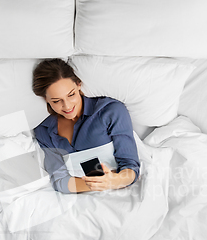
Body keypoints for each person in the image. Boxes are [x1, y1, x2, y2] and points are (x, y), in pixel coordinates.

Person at [32, 58, 140, 194]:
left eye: (71, 95)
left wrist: (113, 181)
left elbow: (131, 168)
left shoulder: (110, 111)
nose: (67, 106)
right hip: (76, 201)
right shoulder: (44, 130)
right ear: (46, 99)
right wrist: (97, 184)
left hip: (122, 191)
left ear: (78, 85)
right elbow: (60, 181)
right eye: (56, 101)